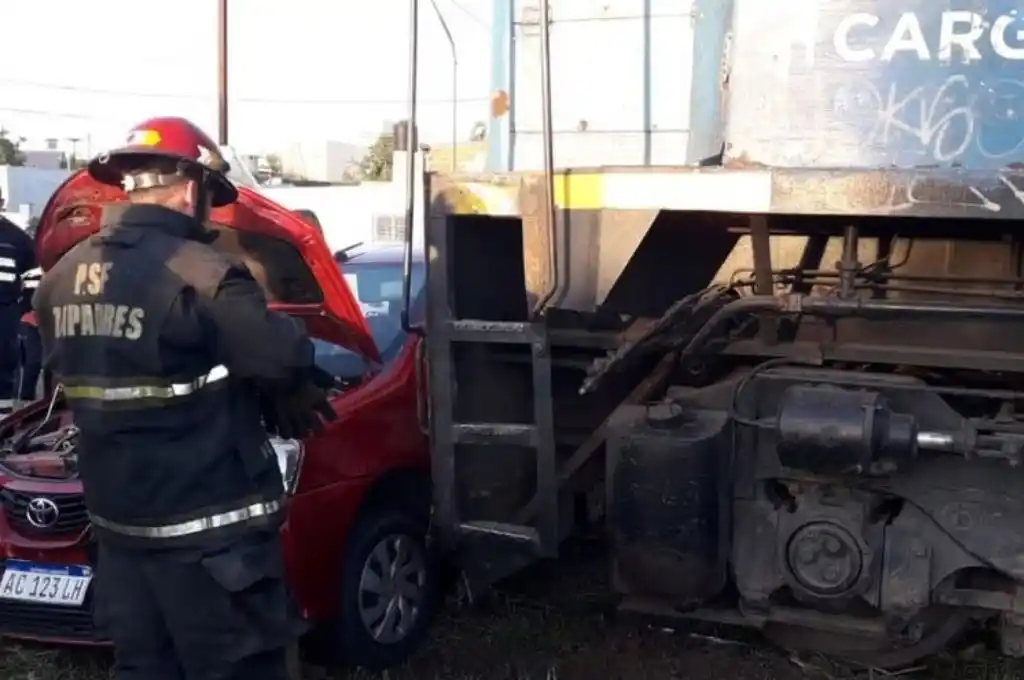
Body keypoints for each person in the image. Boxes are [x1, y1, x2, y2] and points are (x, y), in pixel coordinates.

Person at [32, 117, 335, 680]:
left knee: (145, 669)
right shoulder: (205, 273)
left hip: (120, 537)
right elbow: (281, 356)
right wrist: (289, 382)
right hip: (211, 545)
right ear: (194, 189)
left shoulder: (61, 277)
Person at [0, 188, 36, 417]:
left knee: (3, 366)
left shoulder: (17, 238)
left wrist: (21, 310)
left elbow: (33, 276)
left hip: (4, 312)